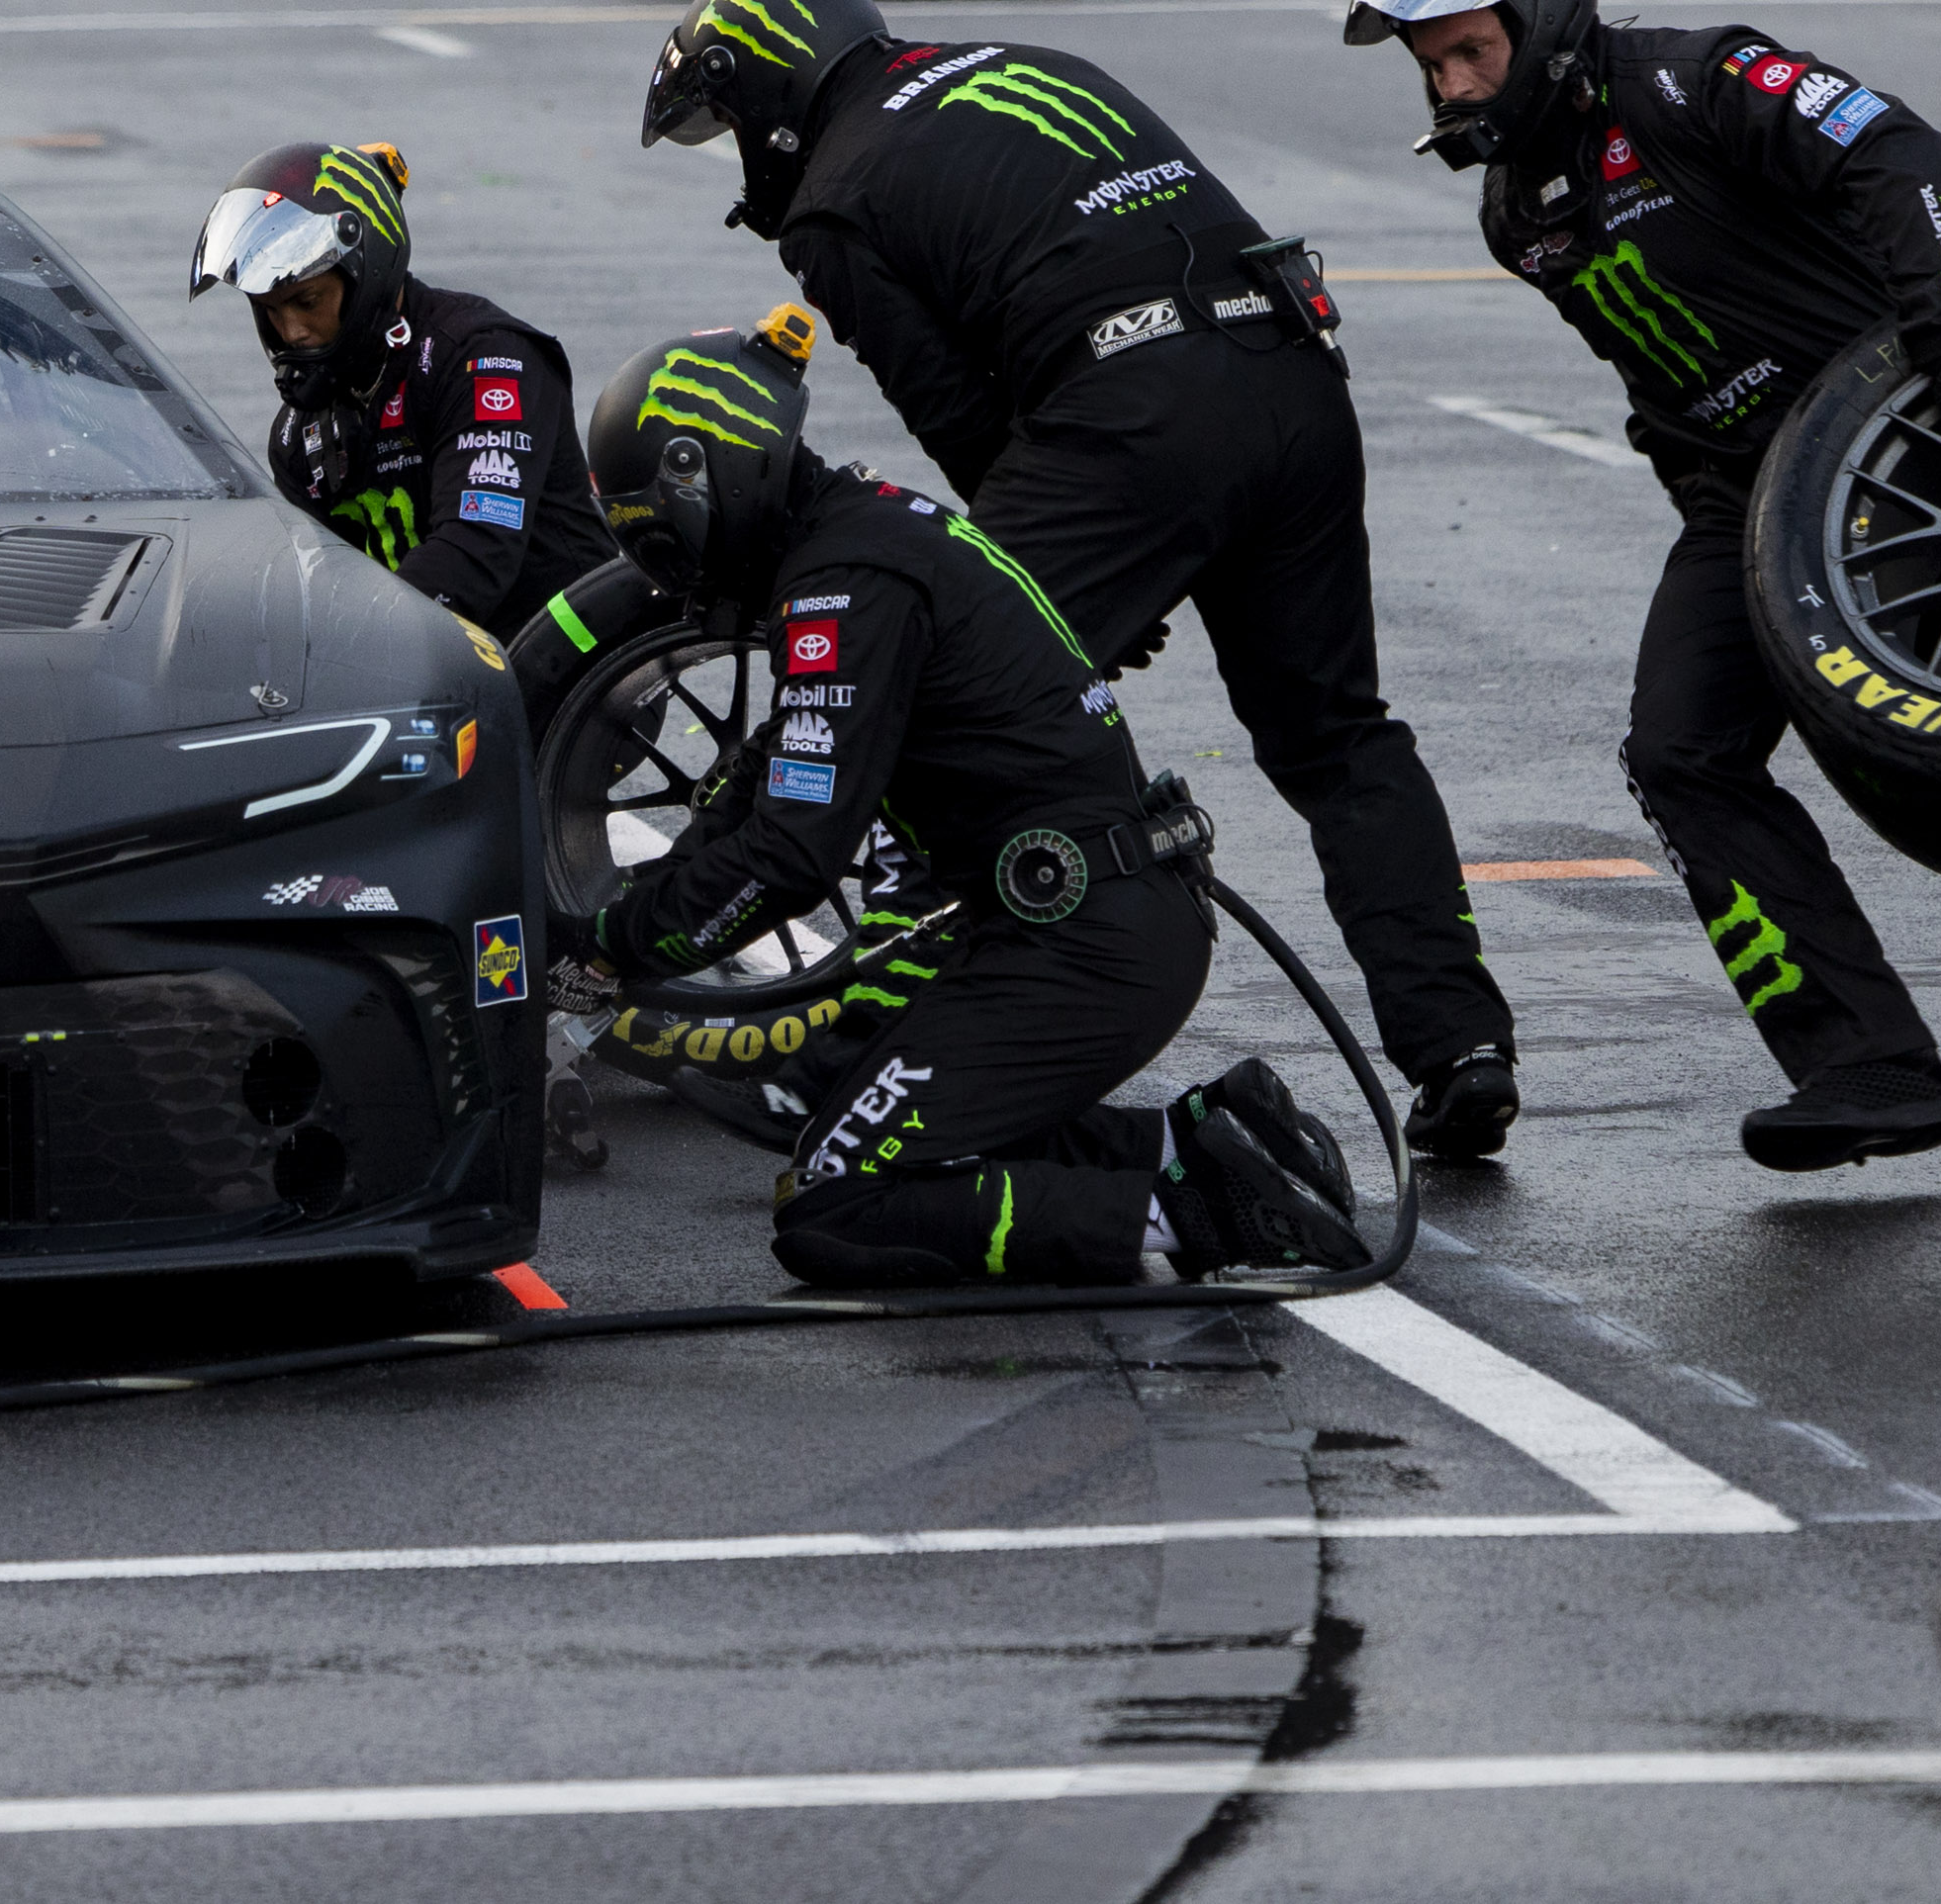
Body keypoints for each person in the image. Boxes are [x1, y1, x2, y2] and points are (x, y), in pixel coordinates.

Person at [1340, 0, 1941, 1169]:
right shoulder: (1517, 214)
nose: (1454, 85)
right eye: (1434, 65)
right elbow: (1664, 383)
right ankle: (1871, 1066)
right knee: (1680, 753)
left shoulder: (1696, 79)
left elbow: (1894, 147)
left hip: (1903, 454)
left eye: (1472, 49)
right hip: (1747, 504)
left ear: (1542, 9)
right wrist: (1712, 512)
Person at [638, 0, 1522, 1159]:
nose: (740, 157)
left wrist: (1035, 575)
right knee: (1335, 737)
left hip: (1130, 417)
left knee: (925, 701)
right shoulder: (1023, 64)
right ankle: (1459, 1048)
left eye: (733, 123)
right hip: (1289, 374)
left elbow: (950, 414)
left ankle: (860, 1061)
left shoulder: (831, 198)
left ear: (776, 93)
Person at [548, 308, 1368, 1290]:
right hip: (1083, 917)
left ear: (709, 477)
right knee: (857, 1118)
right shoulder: (856, 538)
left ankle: (1201, 1216)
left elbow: (787, 855)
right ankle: (1204, 1140)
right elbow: (764, 783)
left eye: (663, 543)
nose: (668, 576)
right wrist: (608, 931)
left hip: (1078, 939)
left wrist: (610, 954)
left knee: (835, 1207)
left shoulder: (844, 585)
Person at [188, 136, 610, 635]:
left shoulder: (486, 358)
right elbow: (319, 593)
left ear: (366, 276)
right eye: (268, 310)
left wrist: (351, 652)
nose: (292, 332)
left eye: (307, 301)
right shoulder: (297, 439)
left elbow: (474, 555)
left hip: (574, 668)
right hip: (432, 668)